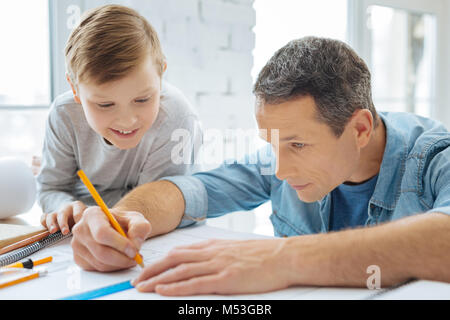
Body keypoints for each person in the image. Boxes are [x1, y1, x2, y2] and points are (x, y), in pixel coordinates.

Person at [70, 37, 450, 296]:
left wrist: (281, 260)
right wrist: (122, 217)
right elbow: (195, 191)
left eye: (298, 145)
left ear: (360, 129)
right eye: (273, 144)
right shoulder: (280, 160)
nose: (280, 170)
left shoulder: (435, 158)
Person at [36, 5, 201, 236]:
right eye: (105, 105)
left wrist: (86, 204)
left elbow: (153, 207)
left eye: (142, 99)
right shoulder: (64, 115)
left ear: (161, 74)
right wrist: (64, 206)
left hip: (166, 237)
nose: (127, 121)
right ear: (75, 89)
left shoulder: (176, 117)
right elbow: (50, 189)